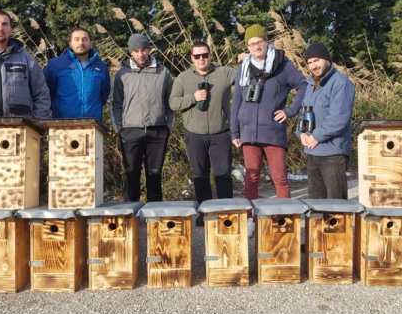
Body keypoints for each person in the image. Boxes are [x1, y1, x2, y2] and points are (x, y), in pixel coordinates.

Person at [231, 24, 307, 236]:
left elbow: (304, 85)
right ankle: (250, 221)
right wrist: (234, 132)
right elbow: (236, 100)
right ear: (247, 47)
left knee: (279, 177)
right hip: (248, 132)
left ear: (266, 42)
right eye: (251, 43)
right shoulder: (244, 66)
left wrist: (290, 111)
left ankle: (285, 221)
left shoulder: (282, 65)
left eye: (259, 42)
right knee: (251, 178)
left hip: (273, 132)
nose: (256, 46)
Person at [169, 41, 237, 226]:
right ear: (191, 58)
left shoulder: (224, 73)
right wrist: (193, 98)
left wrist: (246, 60)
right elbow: (173, 103)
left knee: (223, 175)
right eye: (197, 56)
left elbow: (247, 76)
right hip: (195, 134)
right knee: (200, 175)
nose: (201, 59)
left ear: (210, 55)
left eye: (205, 55)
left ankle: (226, 214)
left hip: (220, 134)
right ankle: (205, 213)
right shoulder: (183, 78)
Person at [111, 33, 173, 202]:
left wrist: (169, 124)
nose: (140, 54)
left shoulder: (163, 72)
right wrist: (119, 128)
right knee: (131, 174)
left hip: (158, 130)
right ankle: (131, 216)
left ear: (149, 49)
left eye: (143, 49)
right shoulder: (122, 74)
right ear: (131, 52)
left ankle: (154, 215)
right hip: (130, 131)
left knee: (155, 174)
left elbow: (170, 101)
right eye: (136, 50)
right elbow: (116, 103)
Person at [299, 42, 355, 199]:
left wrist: (316, 137)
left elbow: (338, 118)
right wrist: (301, 133)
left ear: (327, 59)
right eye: (309, 62)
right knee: (315, 203)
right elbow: (303, 111)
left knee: (335, 206)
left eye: (316, 60)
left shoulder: (341, 83)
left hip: (333, 153)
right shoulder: (310, 84)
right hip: (312, 151)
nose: (313, 66)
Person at [43, 27, 110, 122]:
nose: (81, 43)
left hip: (92, 125)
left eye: (84, 39)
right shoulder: (55, 65)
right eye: (76, 39)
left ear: (91, 43)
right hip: (61, 124)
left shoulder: (102, 67)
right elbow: (46, 93)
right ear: (70, 44)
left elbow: (103, 94)